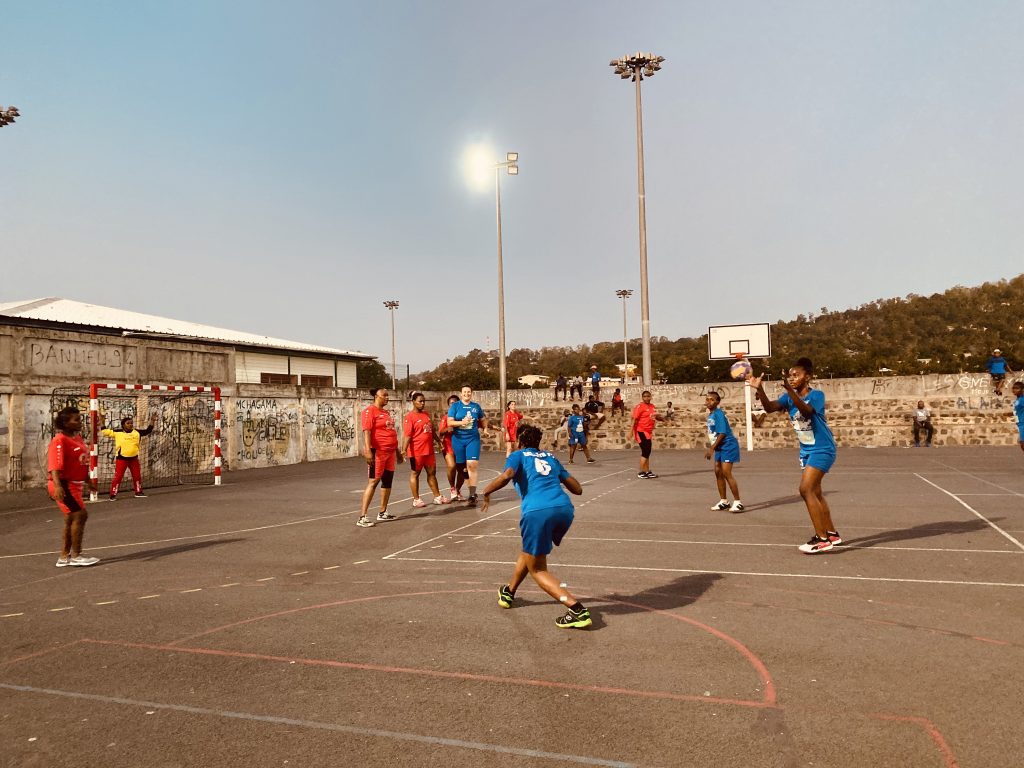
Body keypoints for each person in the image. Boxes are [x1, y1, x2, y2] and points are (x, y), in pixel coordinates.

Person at [481, 425, 592, 629]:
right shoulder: (550, 457)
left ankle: (577, 610)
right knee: (530, 551)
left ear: (519, 441)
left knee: (538, 569)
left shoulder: (518, 455)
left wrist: (486, 491)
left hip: (538, 512)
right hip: (564, 509)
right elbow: (577, 489)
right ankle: (509, 592)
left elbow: (507, 474)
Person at [751, 357, 841, 554]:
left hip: (822, 448)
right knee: (816, 492)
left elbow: (807, 411)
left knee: (805, 489)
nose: (792, 378)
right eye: (790, 375)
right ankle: (832, 534)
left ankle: (822, 539)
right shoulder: (788, 397)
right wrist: (759, 389)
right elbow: (769, 408)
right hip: (806, 450)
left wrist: (790, 392)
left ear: (807, 377)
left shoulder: (817, 395)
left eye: (796, 375)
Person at [48, 407, 99, 567]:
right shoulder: (59, 440)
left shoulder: (77, 438)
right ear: (65, 423)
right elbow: (54, 467)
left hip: (75, 485)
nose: (80, 422)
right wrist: (58, 487)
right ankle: (76, 555)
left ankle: (64, 557)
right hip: (63, 484)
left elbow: (80, 462)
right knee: (80, 515)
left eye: (79, 419)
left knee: (71, 518)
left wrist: (88, 481)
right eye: (76, 420)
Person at [357, 387, 403, 527]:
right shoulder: (369, 411)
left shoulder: (385, 412)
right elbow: (367, 432)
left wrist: (397, 452)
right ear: (376, 396)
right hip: (378, 452)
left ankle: (382, 512)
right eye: (385, 395)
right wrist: (368, 451)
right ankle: (362, 517)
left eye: (388, 395)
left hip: (390, 452)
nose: (387, 397)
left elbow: (391, 432)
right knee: (373, 481)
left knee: (387, 482)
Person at [447, 385, 489, 505]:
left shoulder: (476, 406)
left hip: (472, 439)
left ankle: (472, 494)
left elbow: (483, 419)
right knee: (462, 468)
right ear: (461, 393)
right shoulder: (455, 406)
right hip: (458, 440)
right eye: (464, 392)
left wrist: (485, 429)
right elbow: (450, 422)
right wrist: (462, 422)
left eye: (469, 392)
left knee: (472, 465)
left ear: (471, 393)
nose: (467, 394)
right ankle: (469, 486)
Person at [99, 412, 157, 499]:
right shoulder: (118, 432)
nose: (130, 425)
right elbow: (105, 431)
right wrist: (102, 420)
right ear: (123, 425)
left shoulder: (137, 432)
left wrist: (152, 421)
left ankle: (138, 492)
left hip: (134, 459)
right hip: (122, 459)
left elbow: (148, 431)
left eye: (131, 423)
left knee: (137, 476)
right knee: (118, 477)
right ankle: (113, 494)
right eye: (128, 423)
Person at [403, 392, 445, 508]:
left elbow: (431, 430)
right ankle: (416, 499)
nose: (422, 403)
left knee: (432, 473)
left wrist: (438, 441)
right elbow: (407, 436)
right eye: (420, 401)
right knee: (415, 474)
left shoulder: (426, 414)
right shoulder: (409, 417)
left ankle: (437, 496)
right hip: (416, 451)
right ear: (413, 402)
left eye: (423, 401)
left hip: (429, 450)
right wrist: (404, 450)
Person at [704, 392, 743, 512]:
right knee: (718, 472)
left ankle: (738, 502)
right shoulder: (711, 415)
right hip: (719, 446)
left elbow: (722, 433)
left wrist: (712, 448)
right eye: (707, 399)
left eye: (711, 399)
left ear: (717, 402)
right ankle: (724, 501)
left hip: (728, 445)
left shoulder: (719, 414)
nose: (708, 401)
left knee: (726, 472)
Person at [438, 394, 466, 502]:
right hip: (448, 445)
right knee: (451, 466)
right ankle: (452, 488)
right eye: (451, 403)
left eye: (455, 403)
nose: (453, 405)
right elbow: (441, 432)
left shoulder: (464, 417)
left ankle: (458, 490)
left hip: (461, 445)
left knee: (463, 470)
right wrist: (447, 429)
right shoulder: (446, 418)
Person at [631, 390, 664, 478]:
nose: (647, 398)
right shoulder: (640, 407)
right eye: (645, 396)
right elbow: (634, 419)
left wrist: (662, 419)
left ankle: (647, 471)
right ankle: (641, 472)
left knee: (647, 452)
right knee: (645, 451)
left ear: (651, 397)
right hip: (641, 431)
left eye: (648, 396)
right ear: (642, 397)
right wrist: (630, 432)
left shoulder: (652, 406)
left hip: (648, 432)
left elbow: (655, 417)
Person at [1013, 381, 1024, 453]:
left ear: (1022, 389)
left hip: (1023, 424)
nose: (1014, 390)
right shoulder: (1017, 399)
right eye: (1013, 388)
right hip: (1020, 424)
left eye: (1017, 388)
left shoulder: (1022, 399)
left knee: (1022, 444)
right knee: (1022, 444)